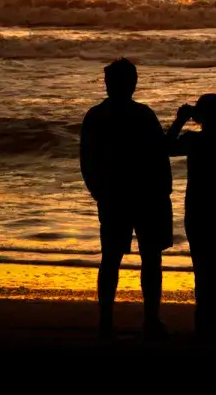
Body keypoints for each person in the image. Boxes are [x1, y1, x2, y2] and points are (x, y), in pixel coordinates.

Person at [80, 58, 172, 341]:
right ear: (132, 84)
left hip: (116, 195)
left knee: (113, 257)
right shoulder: (142, 115)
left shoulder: (96, 116)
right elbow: (161, 151)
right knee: (148, 258)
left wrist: (96, 188)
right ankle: (149, 319)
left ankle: (108, 320)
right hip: (145, 195)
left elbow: (87, 159)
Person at [166, 93, 216, 341]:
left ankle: (204, 323)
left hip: (199, 212)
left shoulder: (193, 141)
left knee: (202, 269)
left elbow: (165, 147)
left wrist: (180, 120)